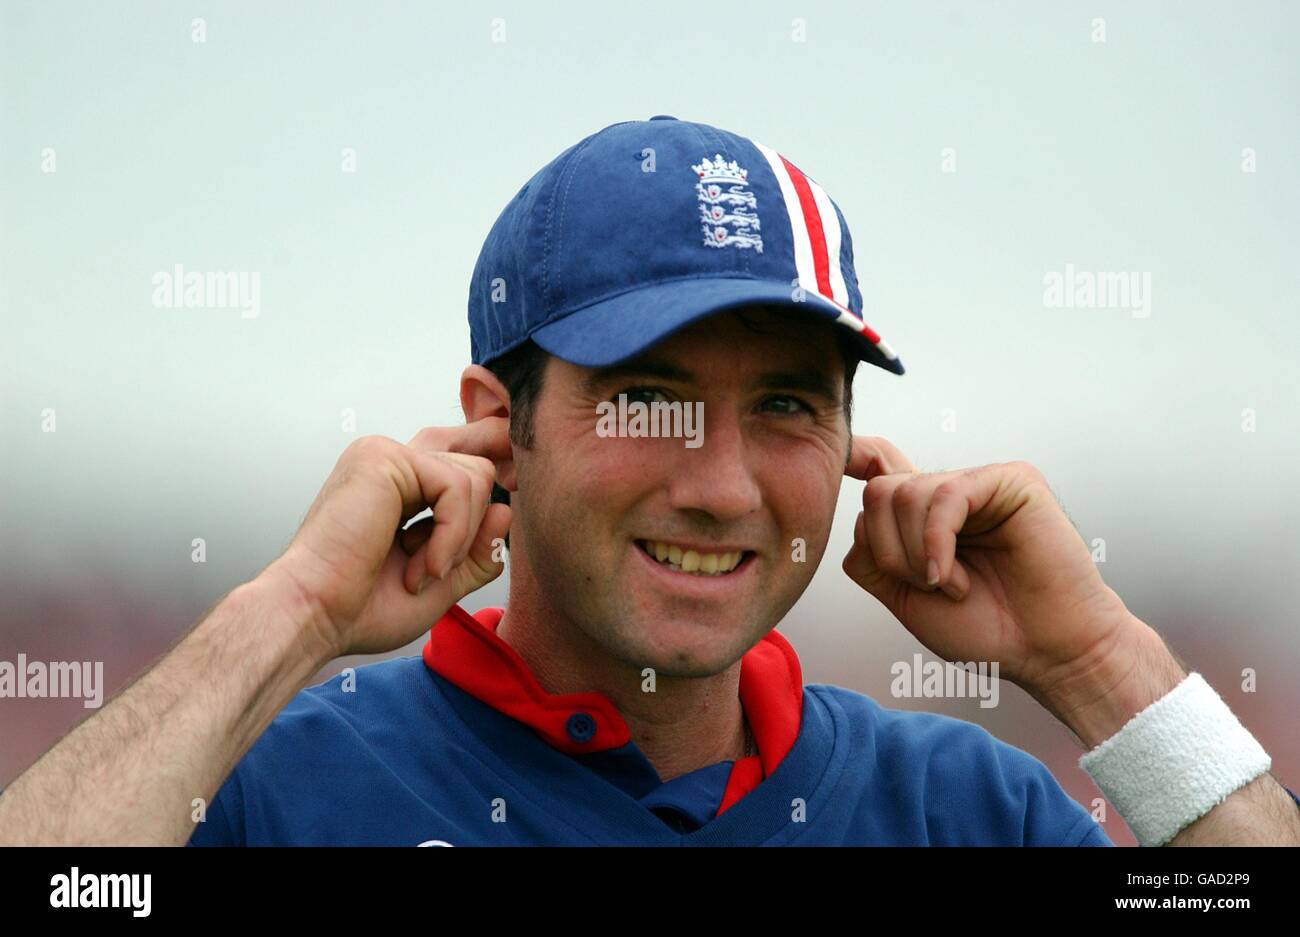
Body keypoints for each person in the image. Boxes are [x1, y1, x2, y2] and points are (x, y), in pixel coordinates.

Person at [2, 117, 1297, 846]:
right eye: (650, 395)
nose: (724, 485)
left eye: (786, 403)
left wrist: (1098, 661)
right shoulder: (272, 796)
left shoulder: (967, 812)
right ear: (497, 429)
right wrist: (286, 612)